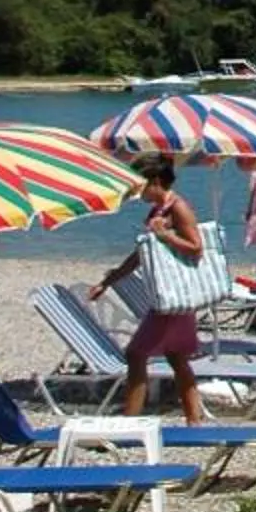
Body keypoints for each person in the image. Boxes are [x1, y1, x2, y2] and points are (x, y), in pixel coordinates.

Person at [90, 158, 208, 422]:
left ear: (155, 182)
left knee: (136, 353)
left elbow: (196, 248)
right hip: (169, 294)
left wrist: (166, 236)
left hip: (176, 294)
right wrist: (108, 281)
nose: (137, 192)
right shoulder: (158, 210)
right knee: (175, 355)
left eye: (140, 186)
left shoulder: (178, 208)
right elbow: (140, 254)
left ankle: (130, 423)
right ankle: (194, 421)